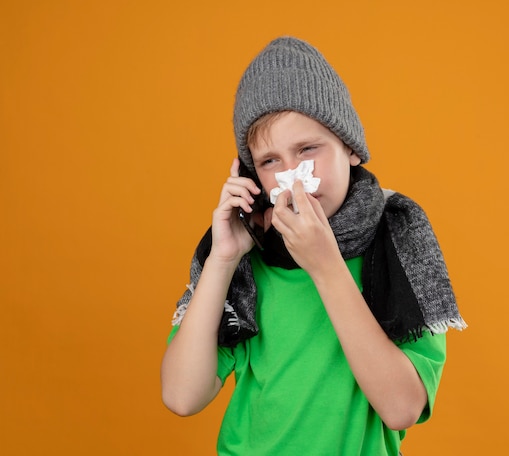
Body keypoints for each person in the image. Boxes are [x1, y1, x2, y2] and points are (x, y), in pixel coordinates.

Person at [161, 36, 466, 455]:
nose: (294, 177)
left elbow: (402, 408)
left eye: (308, 150)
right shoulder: (251, 255)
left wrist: (325, 265)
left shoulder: (399, 239)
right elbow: (181, 396)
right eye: (270, 161)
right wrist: (223, 259)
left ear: (351, 149)